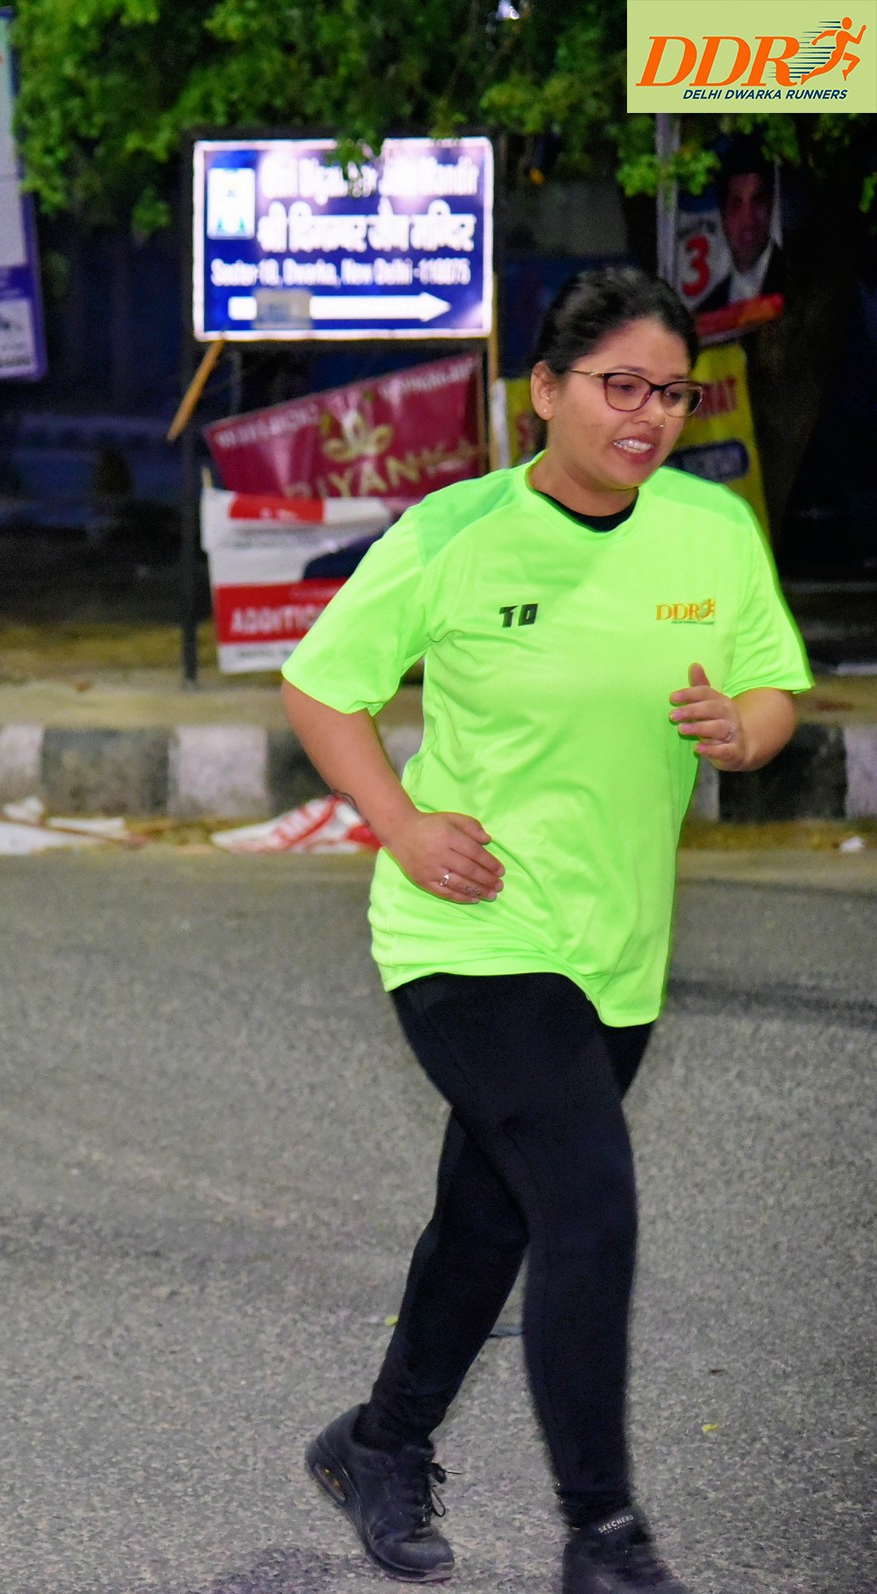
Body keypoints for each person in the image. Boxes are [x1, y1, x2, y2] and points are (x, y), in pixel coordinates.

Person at [282, 266, 809, 1594]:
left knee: (490, 1214)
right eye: (617, 386)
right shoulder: (457, 530)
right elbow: (322, 686)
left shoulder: (708, 529)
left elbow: (769, 693)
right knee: (585, 1205)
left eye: (669, 393)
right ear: (546, 390)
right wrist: (402, 825)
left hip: (615, 945)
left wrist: (741, 732)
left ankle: (377, 1442)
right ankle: (603, 1538)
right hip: (466, 933)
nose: (646, 415)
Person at [695, 149, 785, 314]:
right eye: (736, 205)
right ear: (723, 216)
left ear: (771, 205)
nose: (748, 220)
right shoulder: (707, 311)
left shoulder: (798, 287)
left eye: (757, 201)